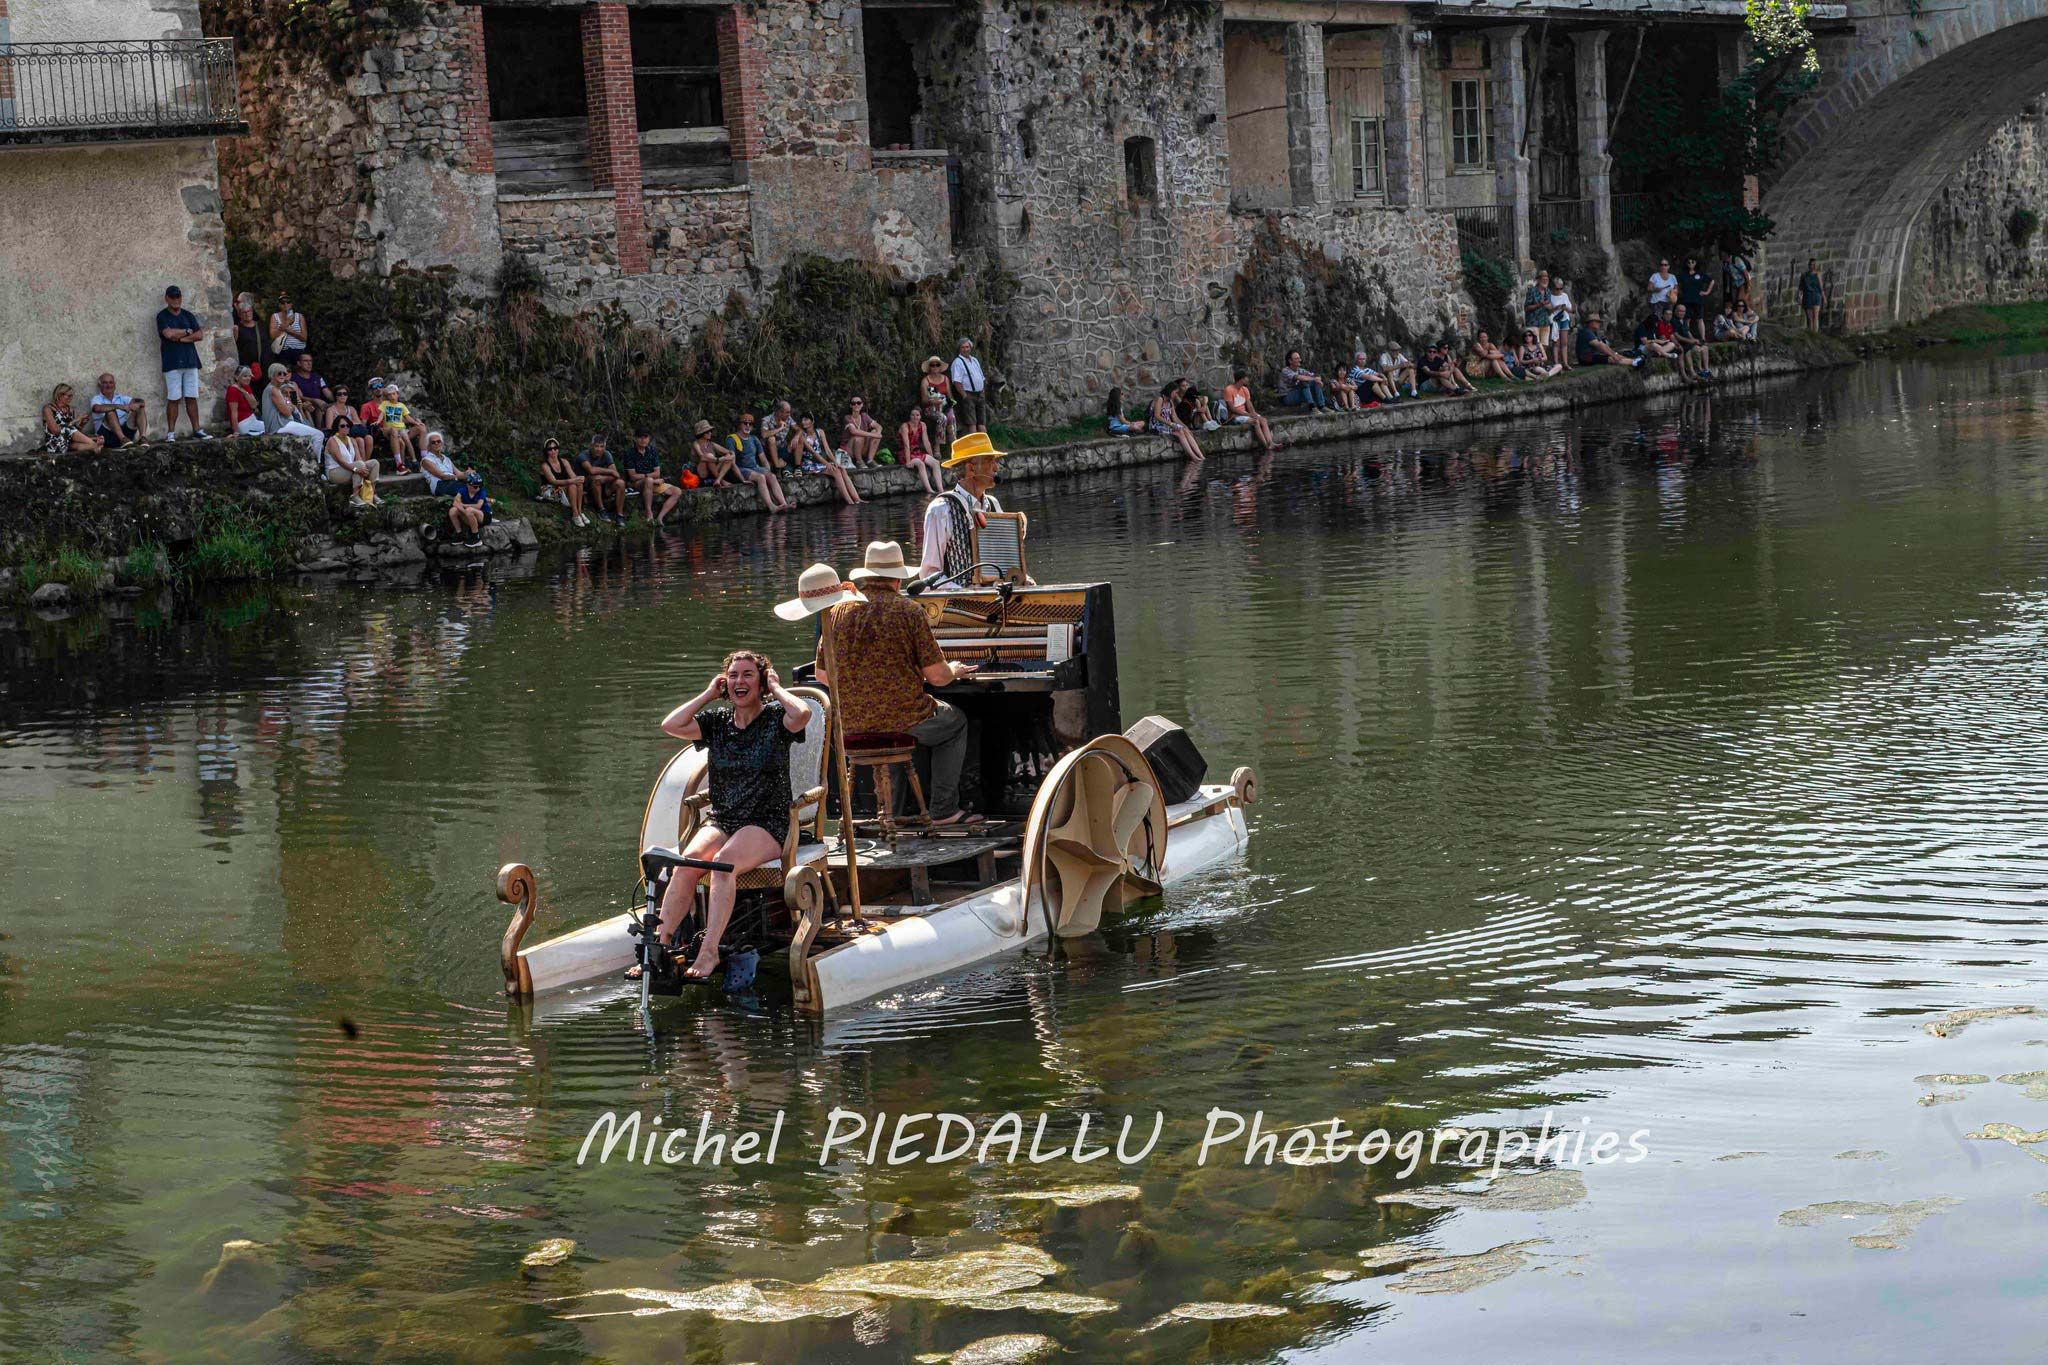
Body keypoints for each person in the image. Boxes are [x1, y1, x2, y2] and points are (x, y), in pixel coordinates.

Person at [640, 651, 815, 980]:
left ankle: (709, 952)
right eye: (733, 675)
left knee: (723, 864)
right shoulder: (718, 722)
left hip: (765, 821)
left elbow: (803, 713)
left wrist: (775, 688)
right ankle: (658, 946)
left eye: (748, 675)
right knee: (688, 862)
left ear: (760, 682)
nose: (739, 681)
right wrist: (707, 694)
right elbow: (670, 724)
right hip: (724, 819)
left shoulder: (777, 719)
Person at [825, 541, 980, 826]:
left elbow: (824, 676)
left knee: (888, 731)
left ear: (865, 577)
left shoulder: (836, 612)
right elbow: (938, 677)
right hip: (901, 720)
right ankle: (944, 810)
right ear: (898, 579)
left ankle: (891, 814)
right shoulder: (908, 611)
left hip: (851, 724)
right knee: (955, 722)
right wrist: (956, 670)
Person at [919, 432, 1011, 583]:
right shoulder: (941, 509)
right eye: (990, 461)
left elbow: (1004, 559)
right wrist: (966, 594)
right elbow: (929, 574)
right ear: (971, 469)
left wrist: (1021, 578)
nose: (996, 467)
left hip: (995, 600)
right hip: (959, 603)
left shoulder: (993, 504)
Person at [156, 285, 206, 439]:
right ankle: (171, 432)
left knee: (192, 397)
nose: (176, 300)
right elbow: (168, 334)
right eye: (172, 297)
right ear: (167, 298)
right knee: (174, 398)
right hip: (172, 363)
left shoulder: (188, 315)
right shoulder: (162, 316)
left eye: (178, 297)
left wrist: (182, 338)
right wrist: (187, 331)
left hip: (190, 361)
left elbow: (199, 335)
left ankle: (197, 429)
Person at [790, 414, 861, 504]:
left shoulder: (820, 432)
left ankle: (857, 498)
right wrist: (827, 464)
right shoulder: (802, 436)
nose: (803, 422)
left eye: (806, 419)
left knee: (841, 469)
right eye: (802, 420)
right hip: (808, 464)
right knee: (836, 472)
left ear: (812, 421)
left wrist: (835, 462)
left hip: (819, 462)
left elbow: (827, 450)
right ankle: (849, 501)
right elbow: (814, 453)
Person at [728, 417, 791, 513]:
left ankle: (784, 504)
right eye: (745, 423)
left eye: (750, 424)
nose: (748, 426)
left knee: (772, 476)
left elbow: (764, 460)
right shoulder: (732, 439)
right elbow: (732, 462)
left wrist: (768, 472)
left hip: (754, 468)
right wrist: (742, 479)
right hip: (741, 468)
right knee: (761, 477)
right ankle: (771, 506)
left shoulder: (754, 439)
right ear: (739, 425)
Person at [261, 363, 326, 454]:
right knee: (319, 435)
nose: (283, 375)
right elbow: (287, 413)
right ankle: (315, 464)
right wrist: (291, 406)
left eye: (284, 373)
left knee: (315, 434)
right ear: (272, 374)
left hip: (279, 424)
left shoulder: (274, 389)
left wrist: (291, 405)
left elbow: (287, 406)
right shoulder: (273, 390)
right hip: (279, 425)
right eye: (279, 373)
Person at [624, 429, 684, 525]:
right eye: (640, 437)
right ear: (635, 438)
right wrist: (649, 477)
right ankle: (649, 513)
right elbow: (633, 477)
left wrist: (651, 478)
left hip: (652, 482)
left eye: (645, 437)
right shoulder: (630, 453)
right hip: (636, 484)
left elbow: (657, 473)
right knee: (649, 480)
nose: (643, 440)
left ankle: (660, 518)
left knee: (677, 491)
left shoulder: (652, 450)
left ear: (649, 438)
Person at [577, 432, 629, 526]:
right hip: (587, 487)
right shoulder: (583, 455)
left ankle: (619, 515)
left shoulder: (606, 454)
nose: (599, 449)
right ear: (591, 445)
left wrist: (604, 478)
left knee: (620, 483)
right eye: (597, 446)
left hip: (604, 486)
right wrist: (609, 472)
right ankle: (601, 510)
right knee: (596, 478)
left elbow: (615, 473)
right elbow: (591, 470)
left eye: (602, 446)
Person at [1222, 368, 1281, 450]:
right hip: (1234, 416)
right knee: (1255, 422)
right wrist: (1249, 415)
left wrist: (1253, 414)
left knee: (1263, 420)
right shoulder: (1228, 389)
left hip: (1244, 414)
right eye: (1246, 377)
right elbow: (1231, 408)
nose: (1248, 379)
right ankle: (1266, 446)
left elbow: (1249, 405)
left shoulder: (1245, 389)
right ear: (1241, 379)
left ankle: (1270, 442)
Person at [83, 372, 146, 447]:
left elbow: (141, 402)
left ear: (114, 385)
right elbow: (97, 408)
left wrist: (134, 405)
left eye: (111, 382)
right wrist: (120, 407)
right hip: (106, 436)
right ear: (99, 386)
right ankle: (122, 439)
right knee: (110, 411)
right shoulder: (97, 399)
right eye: (105, 383)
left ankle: (143, 437)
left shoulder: (121, 398)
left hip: (126, 435)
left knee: (140, 408)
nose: (108, 385)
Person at [1148, 382, 1205, 462]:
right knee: (1180, 432)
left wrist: (1185, 426)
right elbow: (1157, 416)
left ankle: (1200, 456)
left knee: (1185, 430)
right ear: (1170, 391)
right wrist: (1171, 424)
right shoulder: (1160, 399)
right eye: (1175, 392)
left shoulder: (1170, 402)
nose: (1176, 395)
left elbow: (1175, 418)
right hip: (1158, 425)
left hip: (1168, 424)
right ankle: (1194, 457)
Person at [323, 423, 380, 505]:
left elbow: (358, 458)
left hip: (350, 469)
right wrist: (356, 469)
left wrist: (364, 469)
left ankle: (372, 494)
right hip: (334, 472)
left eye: (347, 426)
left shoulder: (352, 440)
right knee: (359, 466)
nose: (346, 428)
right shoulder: (332, 440)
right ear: (337, 428)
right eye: (342, 426)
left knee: (374, 463)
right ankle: (355, 496)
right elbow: (341, 462)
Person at [537, 436, 589, 526]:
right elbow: (554, 481)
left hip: (562, 487)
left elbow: (573, 476)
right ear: (546, 451)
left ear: (558, 449)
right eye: (550, 449)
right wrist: (572, 480)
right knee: (572, 484)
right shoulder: (545, 466)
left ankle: (580, 512)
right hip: (550, 489)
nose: (553, 451)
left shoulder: (564, 462)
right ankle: (575, 513)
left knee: (578, 483)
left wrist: (578, 479)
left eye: (555, 448)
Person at [41, 384, 101, 456]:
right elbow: (55, 430)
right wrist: (76, 420)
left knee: (94, 446)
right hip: (55, 443)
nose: (71, 398)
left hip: (69, 443)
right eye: (68, 396)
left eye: (72, 396)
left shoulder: (71, 409)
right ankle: (93, 443)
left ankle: (94, 445)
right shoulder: (48, 408)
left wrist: (82, 423)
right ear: (59, 395)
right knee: (68, 429)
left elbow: (75, 432)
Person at [377, 383, 425, 472]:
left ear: (398, 394)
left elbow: (407, 417)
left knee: (407, 439)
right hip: (390, 429)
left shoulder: (401, 405)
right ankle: (401, 464)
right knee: (401, 441)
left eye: (394, 394)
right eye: (389, 395)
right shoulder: (385, 403)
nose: (392, 396)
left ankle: (417, 460)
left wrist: (415, 423)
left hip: (401, 428)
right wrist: (378, 421)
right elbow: (381, 414)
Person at [898, 403, 944, 493]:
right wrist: (907, 462)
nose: (915, 417)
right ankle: (930, 490)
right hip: (905, 453)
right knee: (920, 464)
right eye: (913, 415)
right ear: (910, 416)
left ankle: (941, 490)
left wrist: (931, 456)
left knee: (935, 462)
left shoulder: (922, 425)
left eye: (917, 415)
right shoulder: (905, 426)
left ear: (920, 416)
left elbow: (926, 442)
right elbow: (906, 445)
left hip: (916, 452)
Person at [949, 336, 989, 434]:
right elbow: (956, 381)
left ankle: (984, 445)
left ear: (970, 348)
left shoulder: (974, 360)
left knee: (982, 421)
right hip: (968, 394)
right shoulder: (957, 362)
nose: (965, 349)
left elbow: (981, 376)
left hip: (980, 393)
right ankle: (974, 446)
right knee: (972, 422)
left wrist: (982, 390)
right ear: (959, 349)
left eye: (967, 347)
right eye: (963, 347)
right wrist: (964, 395)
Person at [232, 292, 269, 393]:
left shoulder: (260, 325)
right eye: (244, 312)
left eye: (249, 311)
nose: (247, 314)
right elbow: (234, 347)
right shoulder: (238, 328)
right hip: (246, 367)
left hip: (263, 366)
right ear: (239, 314)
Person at [1575, 314, 1642, 368]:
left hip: (1591, 355)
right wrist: (1613, 355)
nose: (1599, 324)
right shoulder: (1586, 332)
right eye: (1597, 322)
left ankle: (1634, 361)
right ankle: (1634, 362)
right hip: (1586, 358)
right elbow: (1600, 346)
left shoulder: (1592, 332)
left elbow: (1604, 345)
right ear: (1591, 322)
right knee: (1611, 359)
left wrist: (1615, 354)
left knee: (1614, 356)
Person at [919, 356, 956, 449]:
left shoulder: (945, 379)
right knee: (942, 418)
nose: (935, 367)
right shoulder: (925, 381)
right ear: (929, 367)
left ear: (940, 367)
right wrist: (933, 402)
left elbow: (950, 395)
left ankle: (954, 445)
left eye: (937, 365)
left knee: (951, 417)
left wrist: (950, 404)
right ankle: (937, 447)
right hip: (930, 408)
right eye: (932, 365)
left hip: (944, 405)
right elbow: (923, 401)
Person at [1671, 304, 1713, 379]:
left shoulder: (1683, 320)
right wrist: (1691, 341)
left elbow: (1688, 332)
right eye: (1680, 311)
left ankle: (1706, 370)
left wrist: (1694, 340)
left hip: (1689, 342)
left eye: (1683, 311)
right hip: (1683, 343)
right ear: (1675, 311)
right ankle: (1699, 370)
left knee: (1705, 348)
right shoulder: (1673, 321)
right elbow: (1677, 336)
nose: (1682, 313)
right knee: (1697, 349)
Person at [691, 419, 737, 488]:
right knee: (709, 456)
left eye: (710, 431)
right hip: (701, 473)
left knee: (728, 455)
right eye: (707, 432)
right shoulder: (696, 444)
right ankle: (722, 481)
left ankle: (718, 480)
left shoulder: (711, 444)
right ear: (702, 433)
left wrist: (732, 455)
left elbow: (729, 452)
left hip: (712, 471)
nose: (710, 433)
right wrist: (719, 459)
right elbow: (702, 457)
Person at [289, 352, 332, 426]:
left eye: (310, 361)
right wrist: (314, 400)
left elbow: (327, 393)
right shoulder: (293, 378)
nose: (309, 363)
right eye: (306, 361)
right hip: (303, 404)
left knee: (332, 406)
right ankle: (318, 431)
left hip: (319, 404)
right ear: (299, 363)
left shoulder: (317, 377)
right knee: (317, 407)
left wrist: (339, 398)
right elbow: (297, 397)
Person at [842, 397, 884, 467]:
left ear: (862, 405)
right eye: (853, 403)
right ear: (850, 406)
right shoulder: (847, 417)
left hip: (862, 447)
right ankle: (859, 461)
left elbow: (879, 426)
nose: (856, 405)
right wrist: (873, 435)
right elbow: (854, 431)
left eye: (858, 403)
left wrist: (878, 433)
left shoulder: (864, 416)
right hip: (849, 450)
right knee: (859, 436)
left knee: (875, 432)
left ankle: (870, 460)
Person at [1678, 255, 1716, 327]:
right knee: (1687, 319)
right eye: (1689, 262)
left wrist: (1707, 292)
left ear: (1696, 263)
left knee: (1699, 319)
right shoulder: (1683, 274)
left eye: (1693, 262)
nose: (1691, 264)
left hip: (1698, 299)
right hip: (1686, 299)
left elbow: (1712, 281)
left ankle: (1703, 337)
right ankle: (1687, 336)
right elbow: (1676, 283)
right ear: (1686, 264)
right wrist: (1679, 292)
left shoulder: (1700, 274)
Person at [226, 366, 264, 436]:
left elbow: (254, 405)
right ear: (237, 377)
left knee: (272, 427)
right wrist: (236, 431)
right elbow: (233, 412)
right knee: (270, 429)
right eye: (245, 376)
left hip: (252, 420)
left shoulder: (246, 387)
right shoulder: (232, 390)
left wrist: (245, 393)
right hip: (243, 423)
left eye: (249, 376)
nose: (248, 378)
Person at [1547, 278, 1577, 369]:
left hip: (1564, 319)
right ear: (1553, 288)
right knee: (1556, 343)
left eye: (1561, 288)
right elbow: (1548, 310)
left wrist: (1565, 308)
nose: (1559, 290)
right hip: (1555, 321)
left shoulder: (1565, 295)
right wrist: (1557, 307)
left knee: (1564, 342)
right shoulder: (1549, 296)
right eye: (1557, 288)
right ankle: (1556, 364)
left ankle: (1565, 363)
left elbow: (1571, 310)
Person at [268, 292, 308, 359]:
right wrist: (287, 323)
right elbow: (272, 336)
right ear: (279, 305)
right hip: (282, 352)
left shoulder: (299, 316)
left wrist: (288, 330)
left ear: (291, 304)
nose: (285, 304)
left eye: (288, 302)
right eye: (282, 302)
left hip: (299, 352)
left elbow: (304, 337)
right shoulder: (274, 316)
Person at [760, 400, 794, 472]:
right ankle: (777, 466)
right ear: (779, 412)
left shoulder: (788, 419)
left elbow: (799, 429)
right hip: (768, 452)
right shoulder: (766, 420)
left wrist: (796, 437)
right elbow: (764, 434)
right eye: (787, 412)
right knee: (771, 439)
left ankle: (797, 467)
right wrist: (780, 428)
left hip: (781, 449)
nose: (789, 414)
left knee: (800, 438)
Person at [1524, 269, 1553, 349]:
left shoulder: (1548, 291)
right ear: (1538, 280)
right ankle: (1536, 361)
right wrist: (1540, 304)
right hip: (1534, 322)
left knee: (1544, 346)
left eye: (1546, 279)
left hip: (1545, 322)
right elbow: (1526, 308)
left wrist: (1551, 307)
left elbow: (1550, 307)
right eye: (1543, 279)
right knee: (1535, 346)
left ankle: (1542, 361)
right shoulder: (1532, 291)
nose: (1545, 281)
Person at [1799, 258, 1825, 332]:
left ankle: (1815, 334)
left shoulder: (1818, 274)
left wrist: (1824, 298)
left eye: (1814, 265)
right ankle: (1812, 335)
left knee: (1816, 317)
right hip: (1808, 296)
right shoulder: (1804, 275)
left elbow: (1821, 287)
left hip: (1816, 296)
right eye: (1811, 265)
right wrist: (1800, 298)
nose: (1813, 266)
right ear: (1808, 265)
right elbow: (1801, 288)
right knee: (1810, 319)